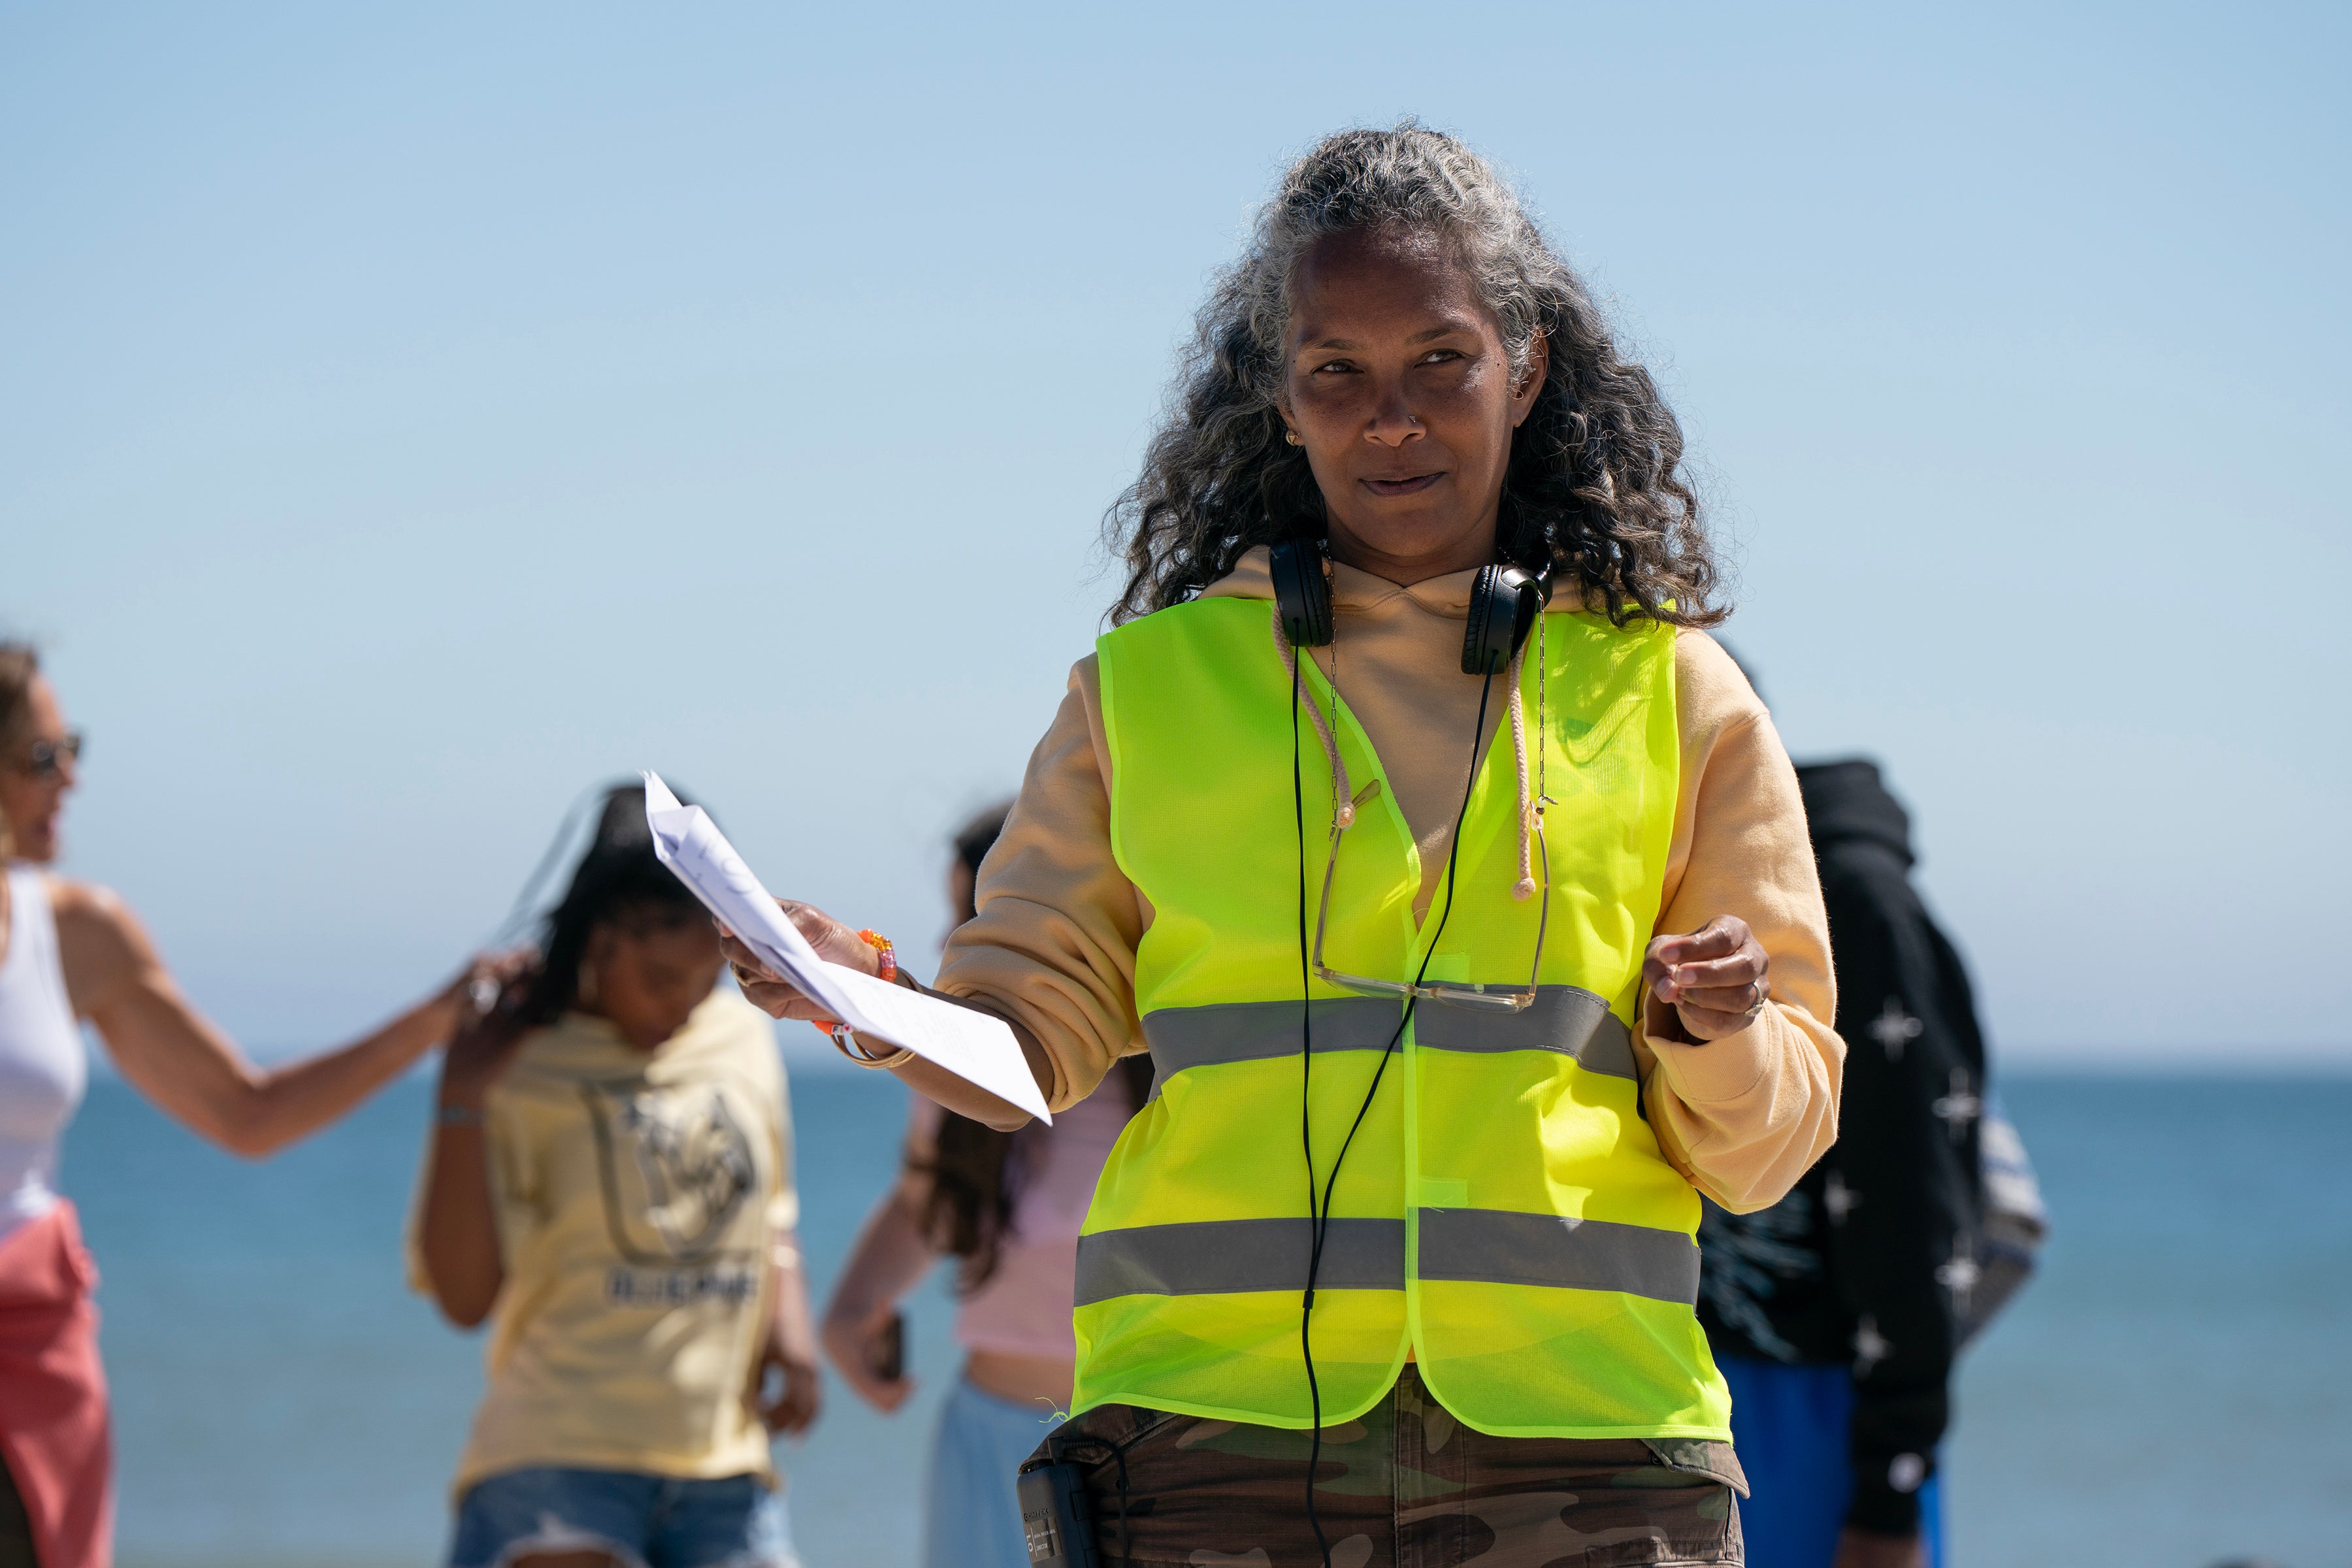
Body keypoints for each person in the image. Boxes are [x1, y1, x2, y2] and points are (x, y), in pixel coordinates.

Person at [723, 123, 1845, 1566]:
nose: (1393, 417)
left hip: (1594, 1444)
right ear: (1283, 398)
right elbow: (1029, 1052)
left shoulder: (1673, 693)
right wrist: (860, 994)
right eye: (1339, 373)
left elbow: (1768, 1152)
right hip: (1205, 1445)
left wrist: (1718, 1034)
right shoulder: (1142, 692)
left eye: (1441, 360)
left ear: (1528, 364)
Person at [0, 644, 491, 1568]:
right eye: (40, 757)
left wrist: (438, 1018)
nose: (69, 777)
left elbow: (247, 1113)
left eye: (72, 749)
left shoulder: (77, 932)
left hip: (35, 1368)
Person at [411, 782, 817, 1568]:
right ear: (599, 942)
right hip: (556, 1464)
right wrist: (458, 1103)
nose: (684, 1005)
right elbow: (464, 1301)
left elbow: (769, 1213)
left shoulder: (739, 1037)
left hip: (727, 1467)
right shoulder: (517, 1062)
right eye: (663, 979)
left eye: (705, 980)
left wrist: (793, 1336)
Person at [1698, 758, 2023, 1568]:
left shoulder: (1858, 902)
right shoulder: (1668, 874)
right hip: (1693, 1378)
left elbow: (1916, 1210)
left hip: (1812, 1403)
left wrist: (1889, 1492)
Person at [821, 803, 1154, 1568]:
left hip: (1138, 1447)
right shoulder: (944, 1091)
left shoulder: (1168, 1079)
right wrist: (846, 1312)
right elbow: (923, 1202)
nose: (945, 944)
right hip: (984, 1443)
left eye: (971, 915)